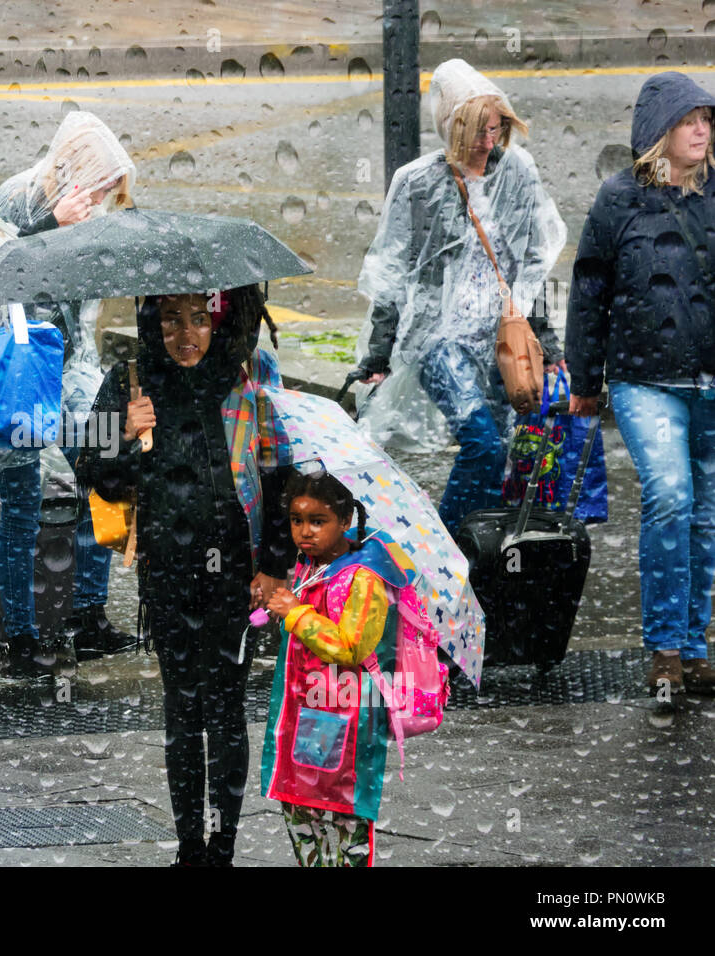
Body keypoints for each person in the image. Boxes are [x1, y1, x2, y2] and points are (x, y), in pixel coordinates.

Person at [76, 285, 292, 866]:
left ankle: (221, 849)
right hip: (167, 576)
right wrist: (122, 433)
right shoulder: (130, 380)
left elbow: (279, 473)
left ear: (218, 321)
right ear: (153, 323)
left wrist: (274, 567)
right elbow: (95, 475)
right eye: (172, 321)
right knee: (181, 714)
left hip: (235, 577)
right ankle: (189, 849)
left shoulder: (247, 377)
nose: (185, 336)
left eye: (199, 320)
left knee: (224, 712)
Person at [352, 59, 566, 535]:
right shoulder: (417, 182)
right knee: (483, 444)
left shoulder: (518, 172)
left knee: (506, 450)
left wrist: (547, 345)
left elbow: (533, 261)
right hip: (436, 336)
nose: (488, 143)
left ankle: (478, 553)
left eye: (496, 129)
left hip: (500, 336)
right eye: (476, 132)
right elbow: (393, 268)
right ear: (450, 128)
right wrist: (378, 350)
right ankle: (442, 548)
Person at [566, 71, 715, 697]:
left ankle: (696, 642)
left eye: (707, 119)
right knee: (672, 499)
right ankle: (663, 651)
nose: (703, 130)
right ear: (660, 133)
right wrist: (585, 376)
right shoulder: (617, 199)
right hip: (644, 380)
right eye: (689, 121)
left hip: (709, 381)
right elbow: (590, 290)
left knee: (706, 516)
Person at [0, 111, 138, 671]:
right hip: (18, 374)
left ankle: (89, 617)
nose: (102, 201)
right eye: (99, 188)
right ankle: (21, 640)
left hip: (73, 372)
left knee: (104, 477)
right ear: (73, 171)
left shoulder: (94, 218)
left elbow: (85, 319)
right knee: (22, 504)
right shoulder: (17, 198)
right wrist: (51, 222)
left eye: (108, 195)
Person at [260, 471, 432, 867]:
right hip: (304, 714)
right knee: (301, 813)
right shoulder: (311, 566)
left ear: (344, 521)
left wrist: (297, 614)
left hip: (348, 720)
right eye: (296, 519)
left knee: (344, 821)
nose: (305, 531)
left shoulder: (364, 575)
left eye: (318, 521)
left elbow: (352, 647)